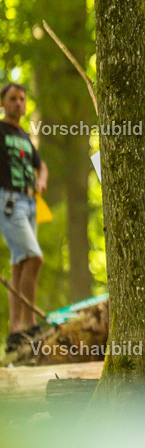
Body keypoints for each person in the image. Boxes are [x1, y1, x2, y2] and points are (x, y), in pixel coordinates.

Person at [1, 83, 47, 351]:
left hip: (30, 203)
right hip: (9, 202)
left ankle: (14, 331)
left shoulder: (24, 135)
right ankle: (30, 324)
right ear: (2, 103)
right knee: (34, 258)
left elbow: (42, 167)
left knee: (20, 264)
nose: (19, 103)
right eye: (12, 99)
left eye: (22, 99)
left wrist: (41, 179)